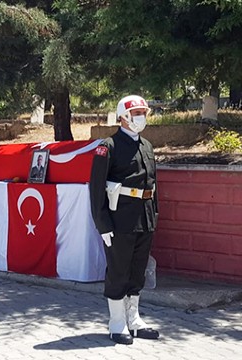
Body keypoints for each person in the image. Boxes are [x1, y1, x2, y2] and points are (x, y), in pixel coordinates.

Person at [89, 95, 160, 345]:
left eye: (144, 112)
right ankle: (117, 323)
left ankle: (134, 320)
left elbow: (152, 184)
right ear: (124, 116)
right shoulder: (108, 146)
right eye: (137, 112)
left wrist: (155, 215)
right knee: (118, 271)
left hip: (144, 218)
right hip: (119, 220)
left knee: (137, 271)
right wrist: (103, 224)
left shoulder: (147, 146)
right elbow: (96, 188)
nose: (142, 117)